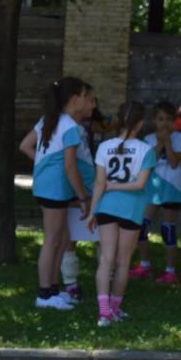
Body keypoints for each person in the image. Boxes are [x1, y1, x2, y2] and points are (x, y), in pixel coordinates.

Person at [19, 77, 96, 310]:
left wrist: (43, 164)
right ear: (74, 100)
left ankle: (53, 290)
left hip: (49, 187)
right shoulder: (71, 127)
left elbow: (25, 146)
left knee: (61, 239)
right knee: (53, 240)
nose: (89, 101)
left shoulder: (48, 121)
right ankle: (44, 294)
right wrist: (83, 197)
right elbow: (71, 168)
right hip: (54, 189)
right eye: (85, 96)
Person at [87, 101, 157, 327]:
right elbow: (140, 185)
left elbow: (99, 183)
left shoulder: (103, 147)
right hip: (131, 209)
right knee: (123, 261)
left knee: (106, 259)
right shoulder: (146, 150)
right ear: (140, 124)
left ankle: (104, 312)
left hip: (106, 208)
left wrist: (92, 211)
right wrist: (115, 187)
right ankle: (114, 309)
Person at [130, 102, 181, 285]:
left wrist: (168, 143)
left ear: (174, 121)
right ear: (154, 121)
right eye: (160, 119)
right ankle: (145, 264)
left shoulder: (180, 139)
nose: (164, 123)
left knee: (168, 229)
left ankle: (170, 271)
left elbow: (173, 163)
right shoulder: (148, 139)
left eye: (168, 119)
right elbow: (150, 161)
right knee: (141, 227)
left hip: (171, 188)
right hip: (153, 188)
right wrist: (159, 144)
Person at [60, 93, 111, 302]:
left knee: (102, 235)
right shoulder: (69, 127)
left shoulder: (83, 126)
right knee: (72, 236)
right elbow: (71, 164)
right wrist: (81, 193)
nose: (94, 104)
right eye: (90, 99)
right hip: (79, 189)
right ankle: (70, 282)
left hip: (91, 186)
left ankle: (107, 279)